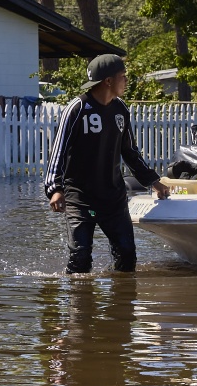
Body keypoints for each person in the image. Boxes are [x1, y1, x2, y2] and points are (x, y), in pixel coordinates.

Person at [46, 54, 168, 274]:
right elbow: (58, 152)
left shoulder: (120, 109)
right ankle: (79, 304)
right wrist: (55, 189)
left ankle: (120, 304)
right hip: (80, 199)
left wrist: (153, 181)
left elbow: (130, 152)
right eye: (123, 77)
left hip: (113, 197)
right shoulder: (76, 109)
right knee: (80, 258)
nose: (127, 81)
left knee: (127, 254)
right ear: (108, 81)